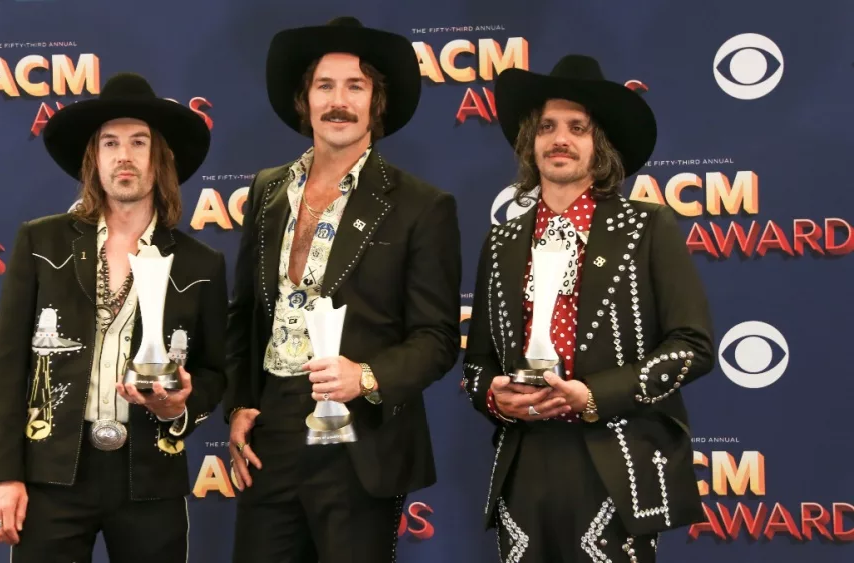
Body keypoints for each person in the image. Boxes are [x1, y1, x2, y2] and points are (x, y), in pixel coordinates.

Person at [223, 16, 462, 563]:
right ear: (303, 100)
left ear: (376, 103)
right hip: (273, 433)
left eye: (356, 86)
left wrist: (368, 377)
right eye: (325, 86)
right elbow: (244, 313)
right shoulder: (267, 190)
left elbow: (437, 337)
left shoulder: (422, 205)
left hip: (362, 435)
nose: (339, 101)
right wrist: (239, 402)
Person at [462, 54, 714, 563]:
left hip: (615, 454)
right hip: (524, 459)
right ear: (530, 142)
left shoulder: (648, 227)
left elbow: (693, 345)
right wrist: (492, 396)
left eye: (577, 128)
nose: (560, 139)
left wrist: (592, 394)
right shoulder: (503, 240)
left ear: (599, 146)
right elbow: (477, 362)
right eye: (548, 126)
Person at [0, 72, 227, 563]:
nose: (124, 155)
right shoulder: (42, 244)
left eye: (139, 142)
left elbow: (218, 371)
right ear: (94, 159)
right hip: (52, 471)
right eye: (110, 142)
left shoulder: (202, 265)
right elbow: (8, 367)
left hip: (151, 476)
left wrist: (180, 406)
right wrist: (3, 476)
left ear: (161, 159)